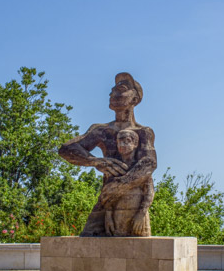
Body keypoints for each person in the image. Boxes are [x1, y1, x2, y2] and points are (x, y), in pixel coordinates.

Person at [58, 72, 156, 236]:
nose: (113, 93)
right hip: (106, 203)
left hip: (133, 199)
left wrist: (119, 185)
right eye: (112, 90)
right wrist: (96, 161)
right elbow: (67, 149)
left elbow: (149, 164)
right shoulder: (101, 130)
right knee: (89, 238)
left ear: (135, 99)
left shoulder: (143, 132)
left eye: (121, 89)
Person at [103, 129, 155, 236]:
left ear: (135, 143)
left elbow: (149, 192)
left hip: (138, 215)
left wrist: (141, 214)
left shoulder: (142, 166)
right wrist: (108, 216)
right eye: (119, 142)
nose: (122, 145)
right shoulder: (113, 167)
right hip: (118, 216)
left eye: (126, 141)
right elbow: (107, 196)